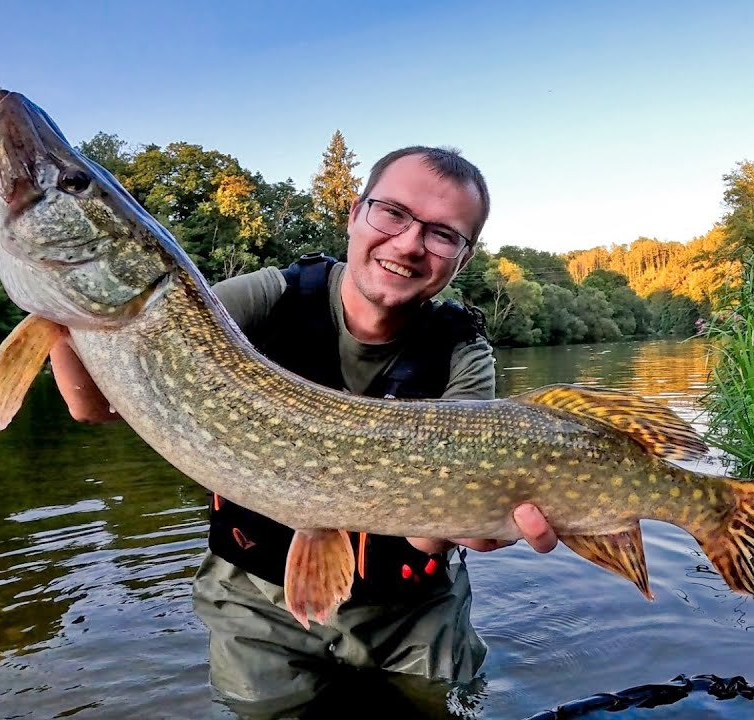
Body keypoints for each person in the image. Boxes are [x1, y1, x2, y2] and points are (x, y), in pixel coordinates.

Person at [49, 146, 557, 713]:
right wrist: (62, 316)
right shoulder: (273, 295)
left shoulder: (463, 353)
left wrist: (471, 518)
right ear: (354, 214)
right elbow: (97, 406)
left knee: (438, 707)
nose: (410, 243)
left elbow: (427, 536)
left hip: (412, 607)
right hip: (255, 599)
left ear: (461, 259)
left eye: (442, 234)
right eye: (393, 213)